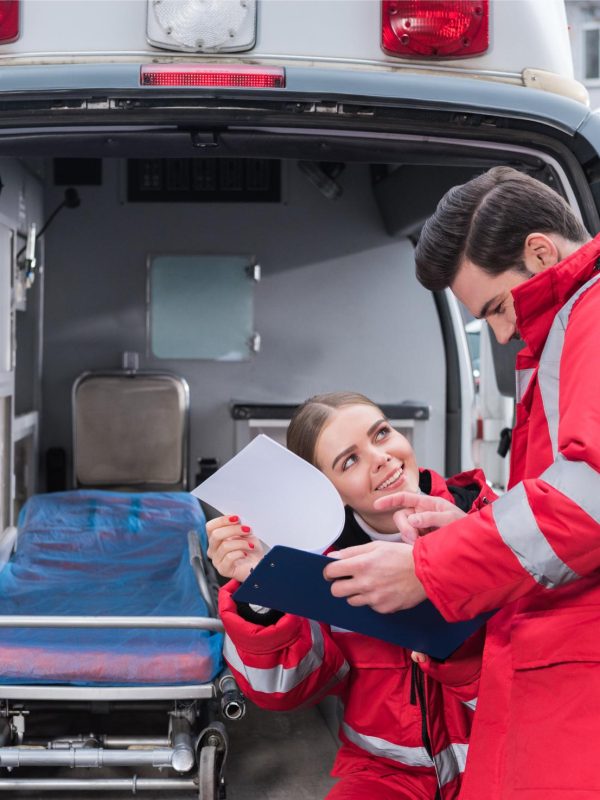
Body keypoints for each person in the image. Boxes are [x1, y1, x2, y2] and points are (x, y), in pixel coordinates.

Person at [323, 166, 600, 798]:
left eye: (498, 308)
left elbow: (589, 497)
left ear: (540, 250)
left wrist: (432, 567)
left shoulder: (592, 317)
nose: (502, 333)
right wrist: (470, 530)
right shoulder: (567, 332)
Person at [207, 392, 495, 800]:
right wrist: (262, 588)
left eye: (381, 433)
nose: (380, 457)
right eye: (350, 460)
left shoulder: (492, 520)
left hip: (501, 760)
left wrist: (459, 566)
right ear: (328, 493)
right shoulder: (323, 568)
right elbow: (283, 691)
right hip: (388, 775)